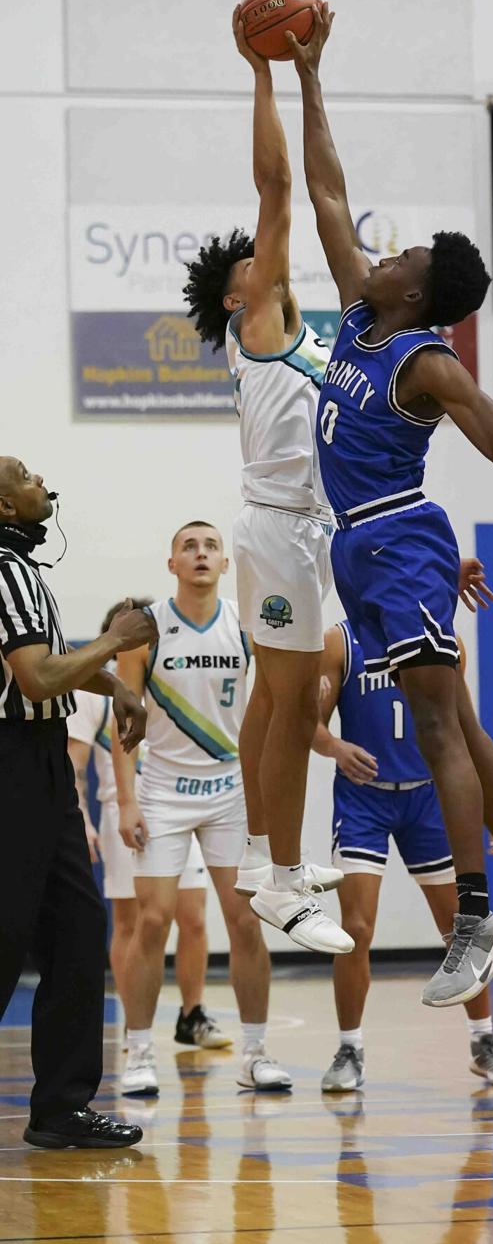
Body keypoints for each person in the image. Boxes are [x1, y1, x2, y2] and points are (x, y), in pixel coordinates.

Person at [287, 7, 493, 1009]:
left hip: (404, 538)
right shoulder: (357, 316)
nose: (384, 254)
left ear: (419, 294)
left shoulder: (421, 359)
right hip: (362, 551)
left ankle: (478, 916)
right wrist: (309, 76)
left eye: (404, 258)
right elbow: (326, 189)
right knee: (460, 725)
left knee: (436, 732)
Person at [183, 7, 349, 956]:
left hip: (301, 531)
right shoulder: (260, 325)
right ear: (239, 300)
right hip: (280, 528)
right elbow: (279, 184)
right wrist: (268, 70)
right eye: (253, 263)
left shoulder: (297, 336)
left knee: (270, 699)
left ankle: (254, 856)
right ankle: (282, 884)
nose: (265, 255)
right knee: (294, 699)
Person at [0, 455, 152, 1149]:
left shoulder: (24, 572)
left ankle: (60, 1108)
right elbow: (35, 680)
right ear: (5, 507)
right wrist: (119, 642)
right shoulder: (7, 572)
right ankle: (60, 1104)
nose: (43, 485)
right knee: (9, 936)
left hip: (41, 770)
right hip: (13, 764)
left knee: (77, 930)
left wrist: (115, 685)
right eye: (27, 477)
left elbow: (56, 658)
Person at [112, 521, 289, 1096]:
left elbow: (276, 702)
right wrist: (129, 800)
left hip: (231, 790)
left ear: (225, 562)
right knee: (154, 919)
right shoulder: (147, 628)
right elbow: (123, 724)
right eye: (189, 546)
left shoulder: (246, 624)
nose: (201, 554)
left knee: (245, 921)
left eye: (211, 545)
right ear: (171, 564)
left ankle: (256, 1053)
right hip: (163, 790)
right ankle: (139, 1052)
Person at [314, 616, 493, 1091]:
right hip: (364, 798)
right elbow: (311, 727)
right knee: (356, 928)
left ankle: (484, 1041)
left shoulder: (444, 641)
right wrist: (335, 747)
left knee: (461, 928)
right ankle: (349, 1048)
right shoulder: (339, 640)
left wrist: (488, 806)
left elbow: (466, 734)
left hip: (428, 796)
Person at [68, 598, 232, 1051]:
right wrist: (82, 818)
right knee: (132, 923)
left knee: (194, 917)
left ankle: (192, 1015)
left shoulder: (167, 683)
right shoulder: (90, 692)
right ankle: (131, 1019)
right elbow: (73, 766)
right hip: (127, 814)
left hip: (177, 806)